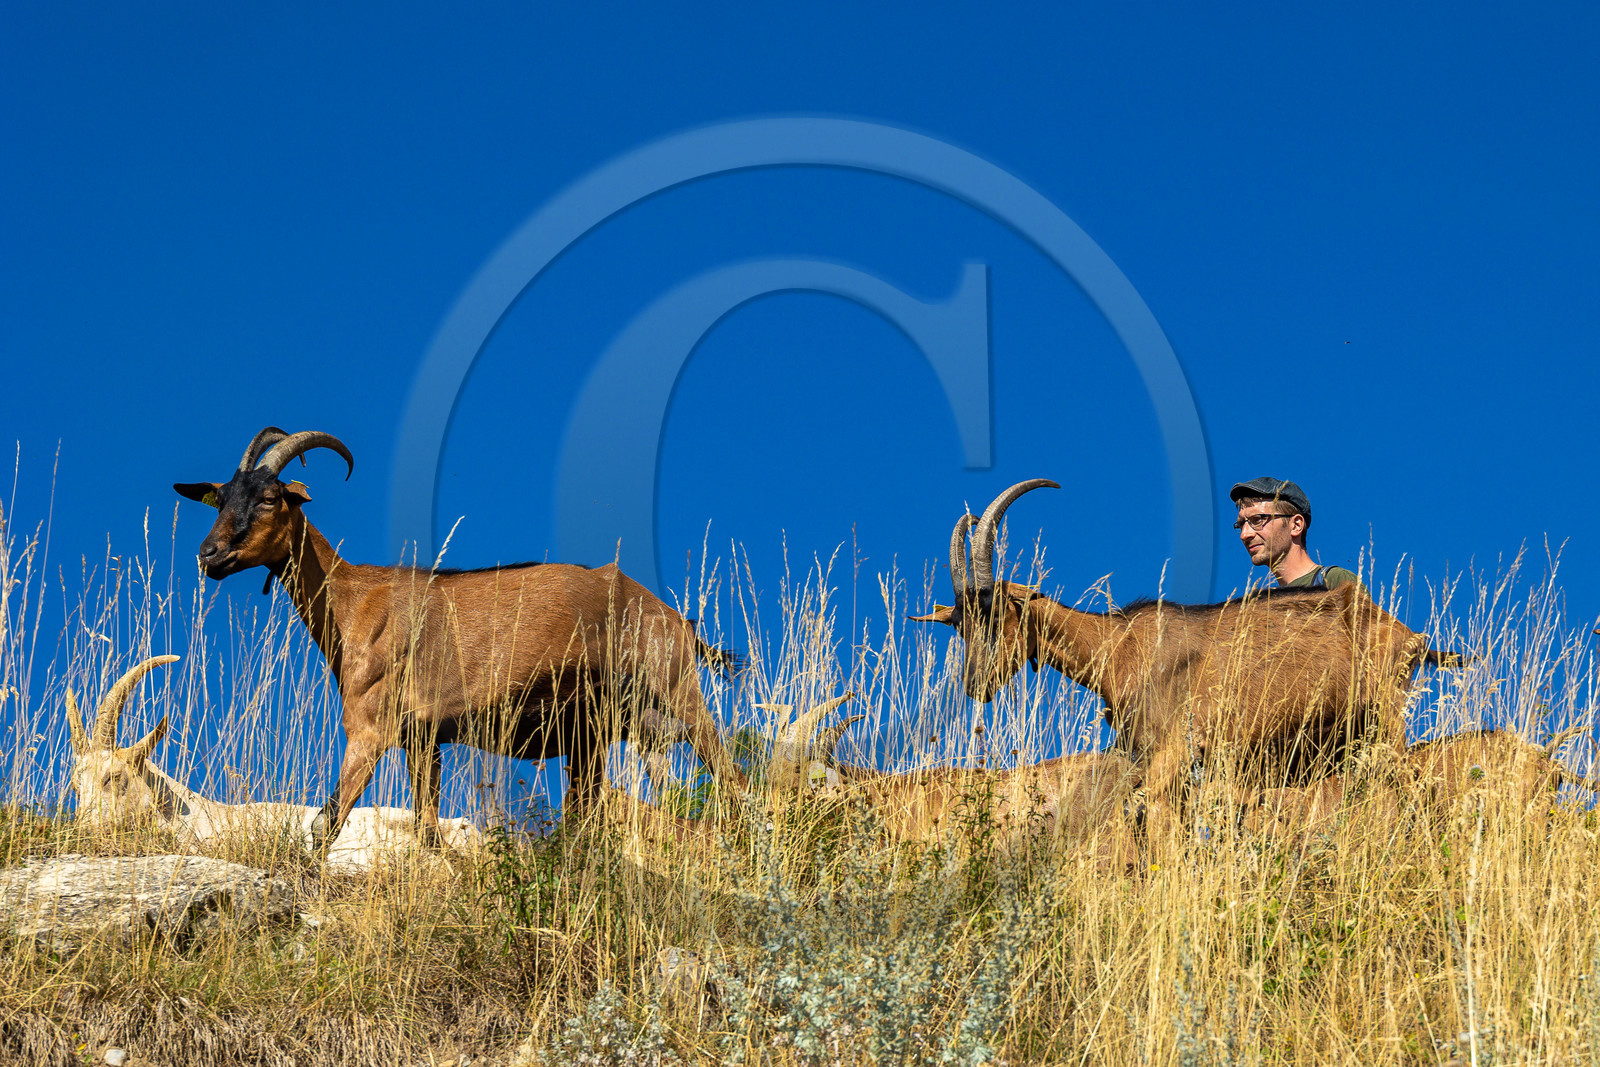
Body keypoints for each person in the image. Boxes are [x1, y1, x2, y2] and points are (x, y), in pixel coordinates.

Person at [1230, 476, 1358, 590]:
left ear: (1296, 525)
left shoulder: (1334, 582)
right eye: (1241, 525)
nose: (1244, 535)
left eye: (1257, 520)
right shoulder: (1264, 606)